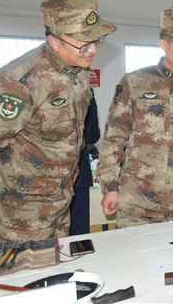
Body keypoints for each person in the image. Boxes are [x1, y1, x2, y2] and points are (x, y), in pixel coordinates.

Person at [0, 0, 116, 245]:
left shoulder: (79, 71)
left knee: (55, 278)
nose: (94, 49)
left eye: (96, 40)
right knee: (23, 282)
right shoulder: (19, 81)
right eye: (83, 44)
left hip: (59, 205)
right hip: (20, 215)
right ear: (54, 41)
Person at [96, 9, 173, 229]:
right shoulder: (135, 82)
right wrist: (110, 186)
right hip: (139, 205)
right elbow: (114, 139)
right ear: (164, 45)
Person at [69, 88, 100, 236]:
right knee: (78, 235)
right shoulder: (84, 90)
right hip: (78, 170)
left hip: (42, 172)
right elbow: (92, 135)